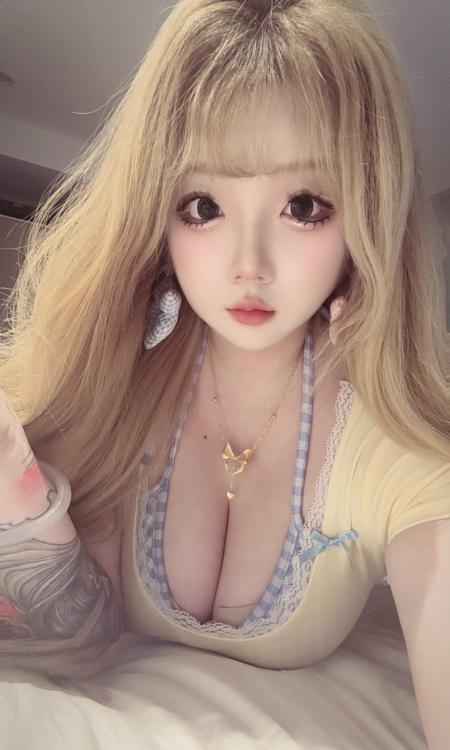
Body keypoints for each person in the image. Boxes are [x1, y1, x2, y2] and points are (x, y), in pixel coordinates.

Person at [0, 0, 449, 742]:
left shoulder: (392, 448)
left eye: (303, 205)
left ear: (367, 214)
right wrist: (17, 486)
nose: (248, 265)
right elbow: (76, 636)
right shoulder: (119, 387)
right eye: (203, 206)